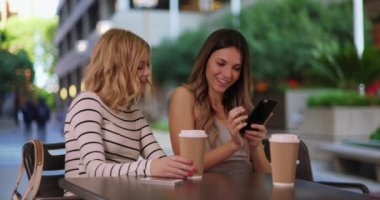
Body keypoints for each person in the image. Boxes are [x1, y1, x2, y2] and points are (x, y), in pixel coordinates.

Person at [64, 28, 196, 196]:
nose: (147, 73)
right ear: (116, 67)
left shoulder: (133, 112)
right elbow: (95, 170)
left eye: (147, 65)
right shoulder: (87, 103)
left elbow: (157, 158)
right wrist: (149, 167)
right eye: (140, 66)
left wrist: (177, 166)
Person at [169, 28, 271, 174]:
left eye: (236, 68)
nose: (228, 74)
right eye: (221, 63)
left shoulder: (241, 106)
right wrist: (233, 145)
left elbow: (266, 175)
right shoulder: (184, 96)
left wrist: (255, 145)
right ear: (206, 60)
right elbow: (186, 164)